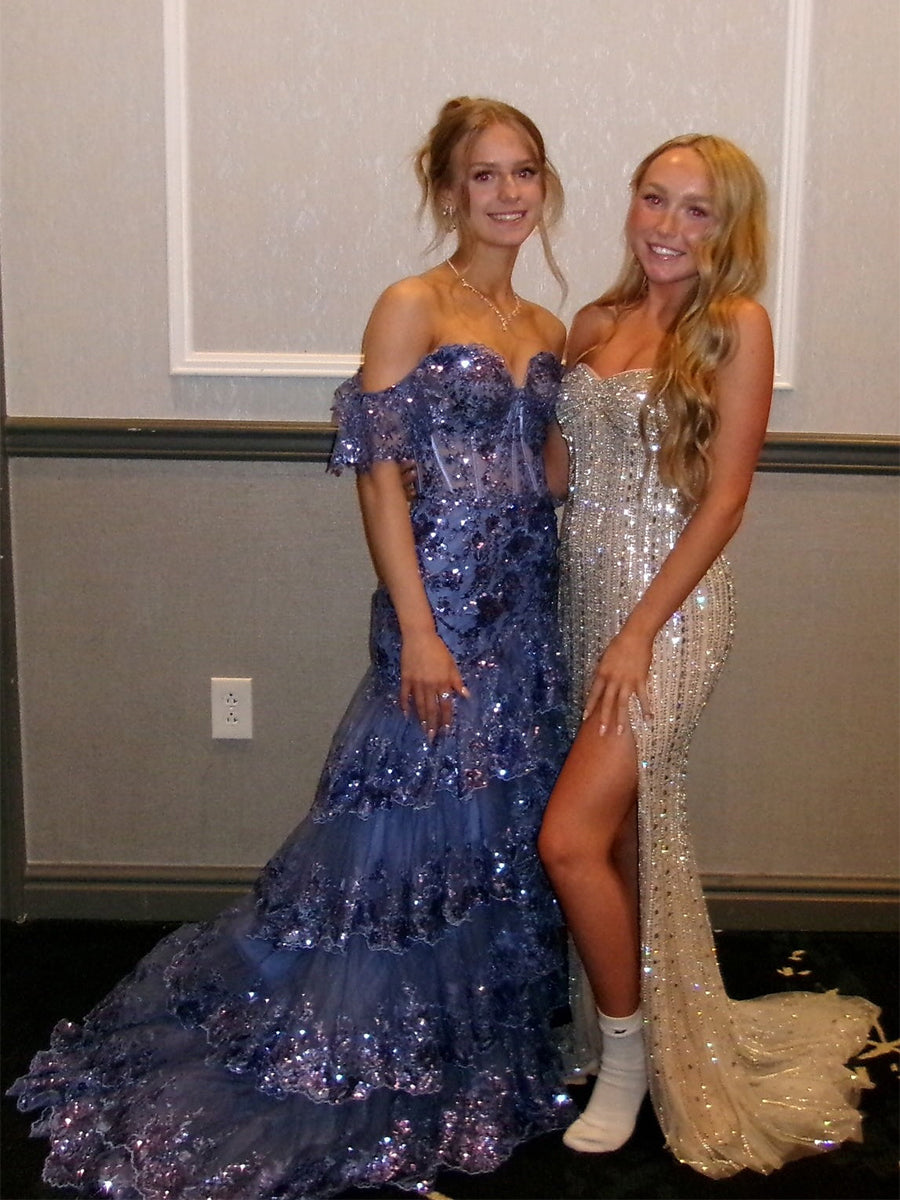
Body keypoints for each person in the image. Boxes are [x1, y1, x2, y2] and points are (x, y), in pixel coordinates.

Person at [9, 97, 577, 1198]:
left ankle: (462, 1046)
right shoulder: (411, 304)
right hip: (440, 605)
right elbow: (378, 479)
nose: (508, 194)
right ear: (447, 190)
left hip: (523, 607)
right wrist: (419, 626)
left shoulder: (547, 325)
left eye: (525, 172)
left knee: (495, 826)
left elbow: (544, 475)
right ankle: (349, 1051)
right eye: (484, 175)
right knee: (402, 824)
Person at [538, 133, 878, 1177]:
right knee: (616, 840)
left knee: (567, 840)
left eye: (697, 210)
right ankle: (627, 1028)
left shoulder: (735, 325)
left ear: (728, 230)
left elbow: (726, 500)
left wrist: (640, 633)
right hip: (582, 606)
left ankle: (627, 1061)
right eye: (656, 198)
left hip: (670, 619)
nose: (669, 226)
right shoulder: (595, 323)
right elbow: (554, 480)